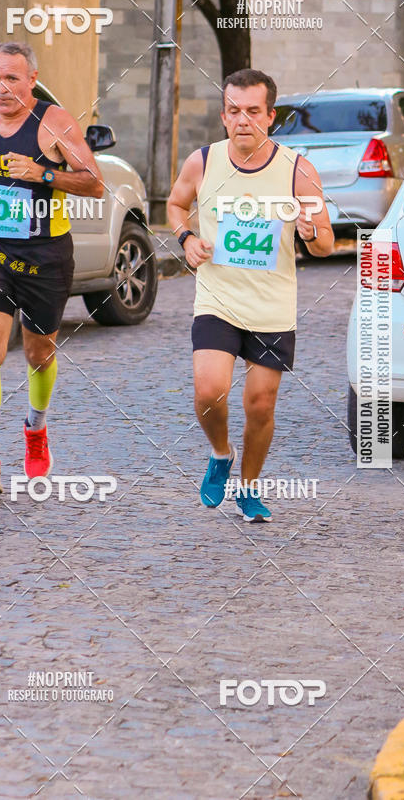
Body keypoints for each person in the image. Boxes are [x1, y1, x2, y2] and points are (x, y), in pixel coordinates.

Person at [167, 68, 334, 522]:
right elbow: (176, 204)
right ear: (224, 116)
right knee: (209, 392)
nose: (243, 120)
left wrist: (310, 231)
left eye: (253, 111)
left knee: (259, 406)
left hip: (271, 306)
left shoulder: (298, 170)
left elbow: (325, 244)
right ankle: (221, 453)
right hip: (218, 299)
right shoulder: (202, 162)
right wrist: (185, 238)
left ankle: (249, 486)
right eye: (234, 111)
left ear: (270, 116)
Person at [0, 41, 103, 494]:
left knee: (39, 353)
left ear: (32, 79)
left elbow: (95, 184)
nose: (1, 87)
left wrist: (42, 174)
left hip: (44, 256)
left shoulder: (54, 123)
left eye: (11, 78)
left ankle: (36, 427)